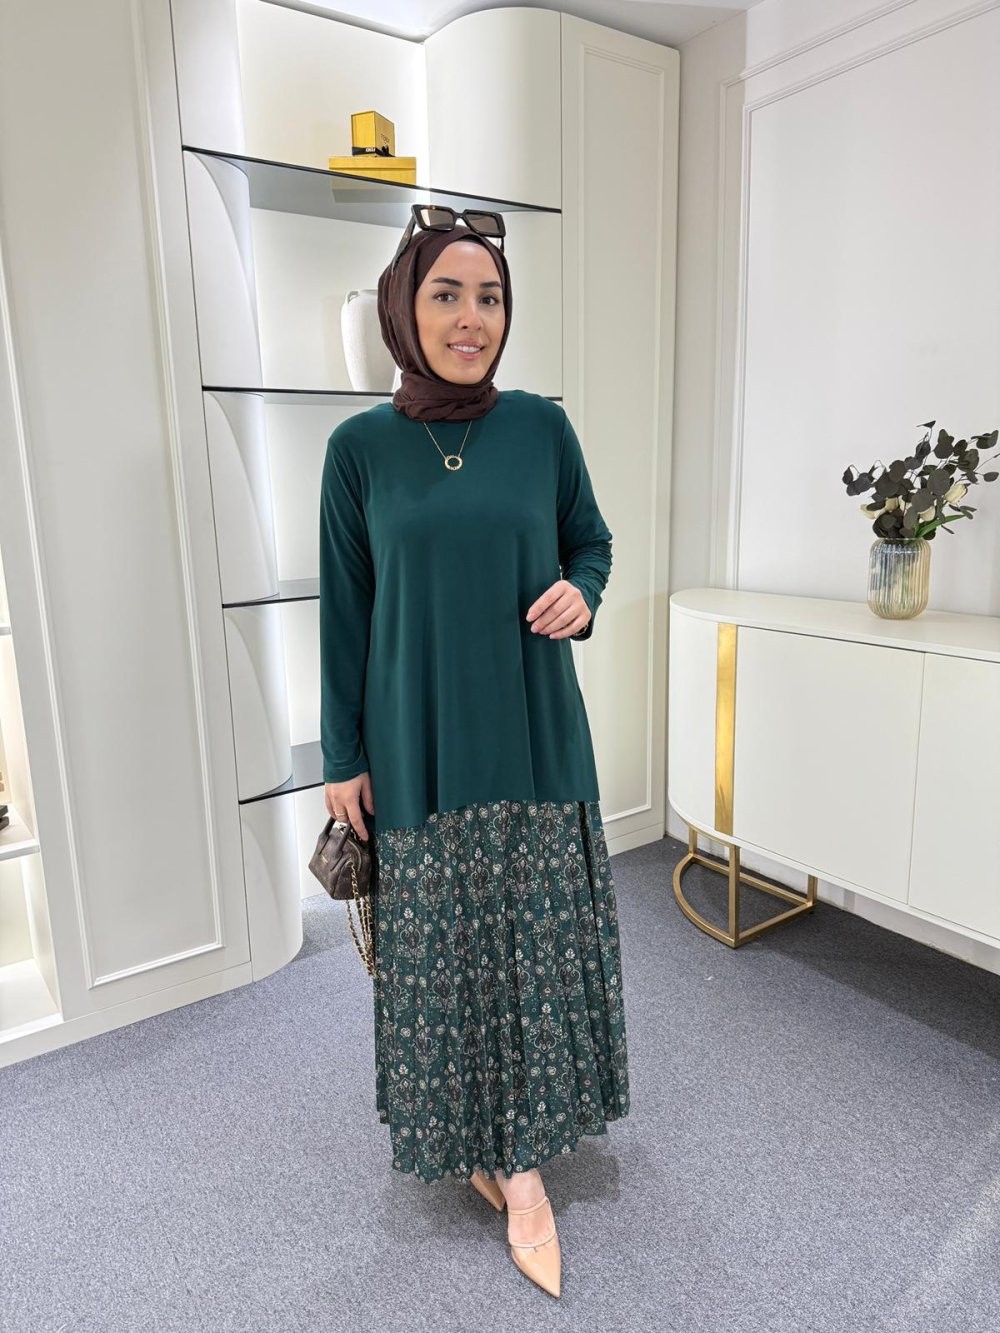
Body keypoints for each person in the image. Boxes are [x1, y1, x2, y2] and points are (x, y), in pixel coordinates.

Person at [318, 206, 630, 1299]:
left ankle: (526, 1167)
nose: (470, 317)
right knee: (445, 955)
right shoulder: (358, 451)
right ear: (403, 309)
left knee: (530, 952)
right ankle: (475, 1135)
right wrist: (343, 754)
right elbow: (345, 611)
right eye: (445, 294)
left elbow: (591, 541)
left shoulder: (542, 429)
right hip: (417, 741)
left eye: (488, 296)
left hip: (534, 732)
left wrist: (581, 593)